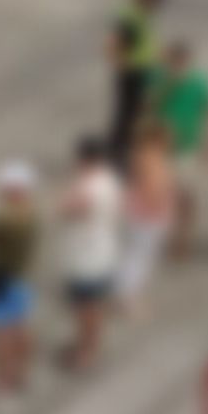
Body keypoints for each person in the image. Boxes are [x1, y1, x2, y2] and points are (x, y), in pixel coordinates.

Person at [60, 135, 124, 370]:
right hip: (104, 250)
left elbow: (70, 210)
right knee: (95, 305)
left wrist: (66, 200)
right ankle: (92, 345)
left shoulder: (89, 186)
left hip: (86, 257)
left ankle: (85, 351)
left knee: (85, 308)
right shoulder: (111, 180)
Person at [0, 161, 40, 396]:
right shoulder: (30, 212)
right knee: (21, 327)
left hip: (1, 278)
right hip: (22, 277)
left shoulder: (5, 218)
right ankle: (21, 373)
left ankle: (2, 379)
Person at [153, 42, 208, 258]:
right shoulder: (160, 80)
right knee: (164, 195)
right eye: (175, 62)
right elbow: (148, 106)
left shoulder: (199, 83)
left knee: (186, 195)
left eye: (183, 62)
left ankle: (183, 238)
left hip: (188, 146)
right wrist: (168, 85)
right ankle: (166, 235)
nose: (179, 66)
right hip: (161, 148)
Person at [117, 126, 177, 318]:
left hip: (145, 211)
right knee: (139, 257)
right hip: (148, 213)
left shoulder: (144, 156)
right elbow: (153, 187)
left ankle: (130, 294)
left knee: (139, 255)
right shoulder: (151, 158)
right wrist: (158, 208)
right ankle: (128, 297)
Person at [111, 0, 164, 163]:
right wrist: (122, 64)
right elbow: (118, 42)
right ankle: (119, 152)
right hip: (133, 72)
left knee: (135, 114)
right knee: (129, 114)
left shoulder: (141, 16)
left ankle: (124, 149)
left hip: (140, 70)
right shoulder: (132, 17)